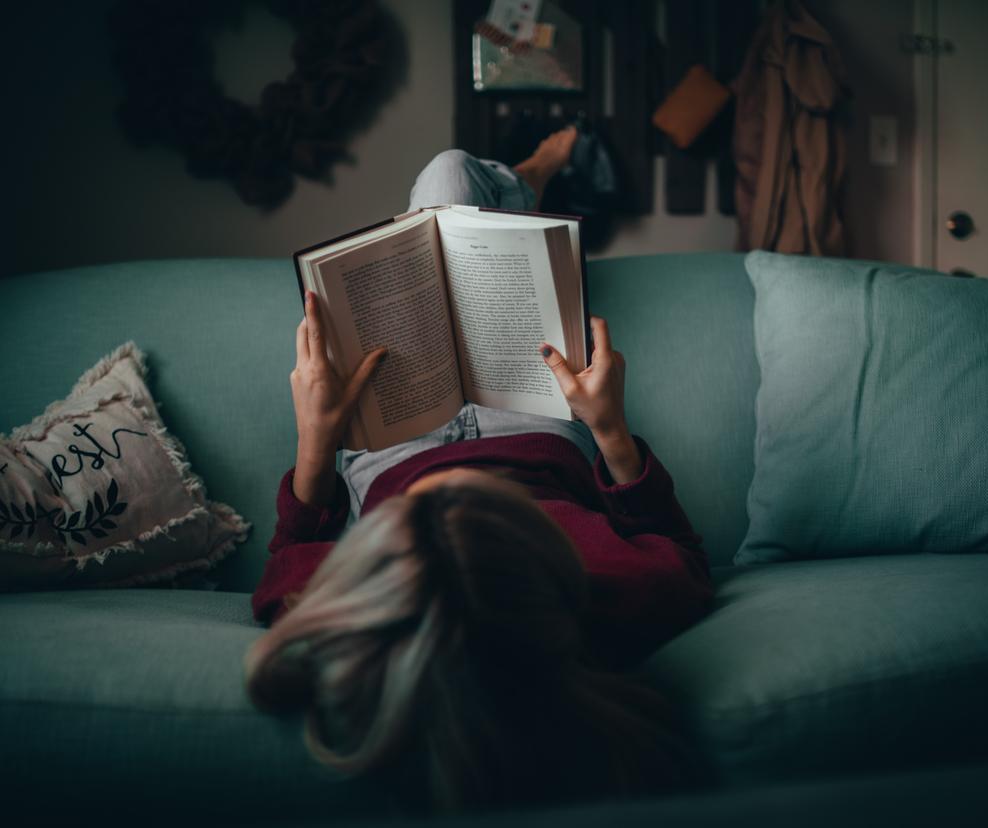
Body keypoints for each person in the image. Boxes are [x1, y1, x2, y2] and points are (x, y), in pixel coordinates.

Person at [243, 130, 715, 812]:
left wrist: (315, 437)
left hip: (392, 443)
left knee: (442, 192)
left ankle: (525, 180)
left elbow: (288, 556)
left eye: (421, 519)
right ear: (536, 568)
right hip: (531, 425)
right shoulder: (616, 594)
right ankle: (532, 177)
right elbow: (684, 555)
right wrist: (608, 426)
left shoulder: (350, 614)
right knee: (453, 185)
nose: (454, 492)